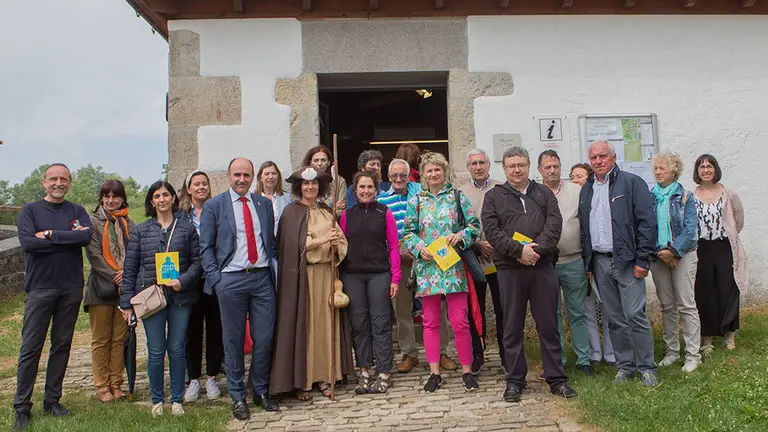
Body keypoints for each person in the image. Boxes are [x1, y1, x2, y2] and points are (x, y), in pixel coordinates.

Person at [482, 147, 575, 403]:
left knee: (548, 326)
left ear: (529, 165)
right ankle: (515, 380)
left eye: (521, 165)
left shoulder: (543, 193)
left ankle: (556, 378)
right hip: (510, 270)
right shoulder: (494, 197)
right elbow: (492, 230)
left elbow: (554, 225)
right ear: (504, 168)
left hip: (542, 268)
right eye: (511, 166)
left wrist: (536, 251)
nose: (516, 170)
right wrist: (518, 251)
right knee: (512, 327)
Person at [14, 163, 92, 432]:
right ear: (44, 182)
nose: (59, 183)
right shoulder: (30, 211)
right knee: (31, 348)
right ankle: (22, 407)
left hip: (70, 288)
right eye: (53, 179)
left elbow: (86, 237)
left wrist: (50, 235)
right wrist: (68, 237)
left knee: (61, 345)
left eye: (64, 179)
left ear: (69, 183)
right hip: (40, 288)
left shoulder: (77, 211)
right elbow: (28, 243)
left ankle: (52, 400)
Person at [199, 158, 279, 420]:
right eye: (237, 174)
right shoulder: (214, 206)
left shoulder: (263, 204)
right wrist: (217, 279)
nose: (242, 179)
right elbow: (206, 247)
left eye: (246, 174)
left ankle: (260, 390)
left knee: (264, 338)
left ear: (252, 176)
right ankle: (237, 397)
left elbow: (271, 243)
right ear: (228, 175)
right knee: (233, 342)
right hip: (231, 280)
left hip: (262, 279)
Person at [270, 166, 355, 401]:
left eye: (315, 184)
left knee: (325, 326)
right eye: (306, 184)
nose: (310, 187)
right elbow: (291, 245)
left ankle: (325, 377)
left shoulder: (328, 213)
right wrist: (320, 240)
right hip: (302, 278)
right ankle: (303, 380)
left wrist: (337, 242)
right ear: (299, 187)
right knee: (305, 327)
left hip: (328, 276)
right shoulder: (291, 213)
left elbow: (342, 243)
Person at [578, 140, 658, 387]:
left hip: (627, 261)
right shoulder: (587, 188)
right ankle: (625, 367)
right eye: (594, 157)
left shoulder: (631, 183)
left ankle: (647, 368)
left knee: (635, 314)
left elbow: (647, 223)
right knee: (613, 318)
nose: (598, 161)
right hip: (600, 261)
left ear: (613, 158)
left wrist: (642, 259)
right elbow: (584, 228)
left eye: (603, 156)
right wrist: (588, 264)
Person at [120, 181, 201, 417]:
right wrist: (127, 303)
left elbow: (197, 263)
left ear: (174, 198)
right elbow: (131, 267)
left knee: (176, 349)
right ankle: (157, 399)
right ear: (151, 201)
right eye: (157, 196)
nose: (162, 199)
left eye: (166, 195)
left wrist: (183, 281)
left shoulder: (186, 228)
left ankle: (176, 399)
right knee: (156, 350)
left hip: (179, 297)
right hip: (151, 298)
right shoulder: (142, 230)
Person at [403, 152, 480, 393]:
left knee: (460, 321)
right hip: (428, 270)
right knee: (431, 322)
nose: (434, 174)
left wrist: (461, 236)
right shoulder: (416, 201)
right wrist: (419, 248)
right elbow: (408, 232)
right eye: (429, 171)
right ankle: (434, 372)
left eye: (438, 170)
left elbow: (474, 225)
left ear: (444, 171)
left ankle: (467, 371)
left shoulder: (457, 197)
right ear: (423, 175)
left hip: (453, 267)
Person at [378, 159, 458, 373]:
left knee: (436, 306)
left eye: (402, 175)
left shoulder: (421, 195)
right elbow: (381, 234)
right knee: (402, 309)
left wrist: (420, 251)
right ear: (388, 177)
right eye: (394, 175)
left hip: (428, 259)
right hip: (399, 262)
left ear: (409, 176)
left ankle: (442, 351)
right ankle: (409, 353)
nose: (398, 179)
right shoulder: (382, 200)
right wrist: (396, 255)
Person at [340, 171, 401, 394]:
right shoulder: (347, 215)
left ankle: (384, 371)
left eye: (370, 187)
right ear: (355, 191)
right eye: (362, 187)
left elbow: (394, 247)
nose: (366, 191)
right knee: (359, 324)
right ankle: (364, 370)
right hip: (353, 275)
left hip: (379, 274)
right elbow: (342, 246)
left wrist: (396, 278)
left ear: (376, 190)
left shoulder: (384, 213)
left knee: (381, 322)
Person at [538, 151, 592, 376]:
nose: (552, 170)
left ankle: (584, 360)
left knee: (578, 312)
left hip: (573, 260)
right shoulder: (534, 193)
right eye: (547, 167)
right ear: (540, 170)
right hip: (545, 264)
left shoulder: (576, 191)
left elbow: (586, 224)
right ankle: (556, 360)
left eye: (556, 166)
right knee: (552, 314)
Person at [84, 180, 136, 403]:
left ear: (122, 198)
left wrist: (127, 273)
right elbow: (94, 254)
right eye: (106, 196)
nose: (111, 200)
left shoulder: (129, 223)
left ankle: (116, 382)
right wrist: (116, 273)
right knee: (101, 339)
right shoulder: (93, 223)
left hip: (124, 290)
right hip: (101, 288)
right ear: (101, 198)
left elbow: (135, 251)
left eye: (115, 196)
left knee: (119, 339)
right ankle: (102, 385)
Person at [649, 153, 702, 372]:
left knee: (686, 305)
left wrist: (674, 251)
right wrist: (661, 252)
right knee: (667, 306)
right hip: (658, 257)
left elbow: (691, 231)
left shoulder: (686, 196)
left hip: (683, 255)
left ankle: (693, 355)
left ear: (674, 171)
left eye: (662, 168)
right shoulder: (649, 196)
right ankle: (672, 352)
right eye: (656, 168)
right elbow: (645, 227)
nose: (658, 172)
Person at [693, 154, 746, 354]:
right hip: (702, 249)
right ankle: (706, 339)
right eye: (702, 166)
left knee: (728, 290)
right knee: (704, 292)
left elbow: (738, 221)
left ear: (716, 169)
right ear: (697, 171)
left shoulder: (729, 194)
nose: (706, 170)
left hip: (724, 247)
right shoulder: (691, 196)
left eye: (710, 166)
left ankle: (729, 335)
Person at [177, 170, 223, 402]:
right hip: (190, 281)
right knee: (191, 330)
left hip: (214, 279)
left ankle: (213, 376)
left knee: (216, 329)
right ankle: (193, 378)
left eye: (205, 183)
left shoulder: (217, 210)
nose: (201, 187)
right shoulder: (181, 216)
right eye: (196, 184)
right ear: (189, 189)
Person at [458, 149, 505, 374]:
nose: (478, 167)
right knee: (473, 309)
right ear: (468, 167)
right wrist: (477, 243)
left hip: (499, 257)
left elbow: (508, 221)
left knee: (503, 308)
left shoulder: (502, 188)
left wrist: (495, 243)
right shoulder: (460, 192)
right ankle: (478, 354)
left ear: (488, 164)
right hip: (473, 256)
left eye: (482, 163)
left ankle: (507, 355)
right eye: (474, 163)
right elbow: (457, 225)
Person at [570, 163, 615, 367]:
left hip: (598, 258)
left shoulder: (597, 197)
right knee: (587, 308)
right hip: (579, 261)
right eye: (572, 177)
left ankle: (612, 353)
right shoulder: (568, 201)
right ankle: (594, 353)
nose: (575, 180)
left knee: (608, 306)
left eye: (579, 176)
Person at [301, 145, 347, 211]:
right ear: (310, 162)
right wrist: (333, 209)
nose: (319, 163)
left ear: (328, 163)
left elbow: (341, 210)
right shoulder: (303, 182)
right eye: (316, 160)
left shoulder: (339, 181)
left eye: (323, 160)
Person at [256, 161, 292, 235]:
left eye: (274, 173)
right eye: (266, 174)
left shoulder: (286, 198)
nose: (271, 177)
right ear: (260, 178)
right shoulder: (254, 198)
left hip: (281, 241)